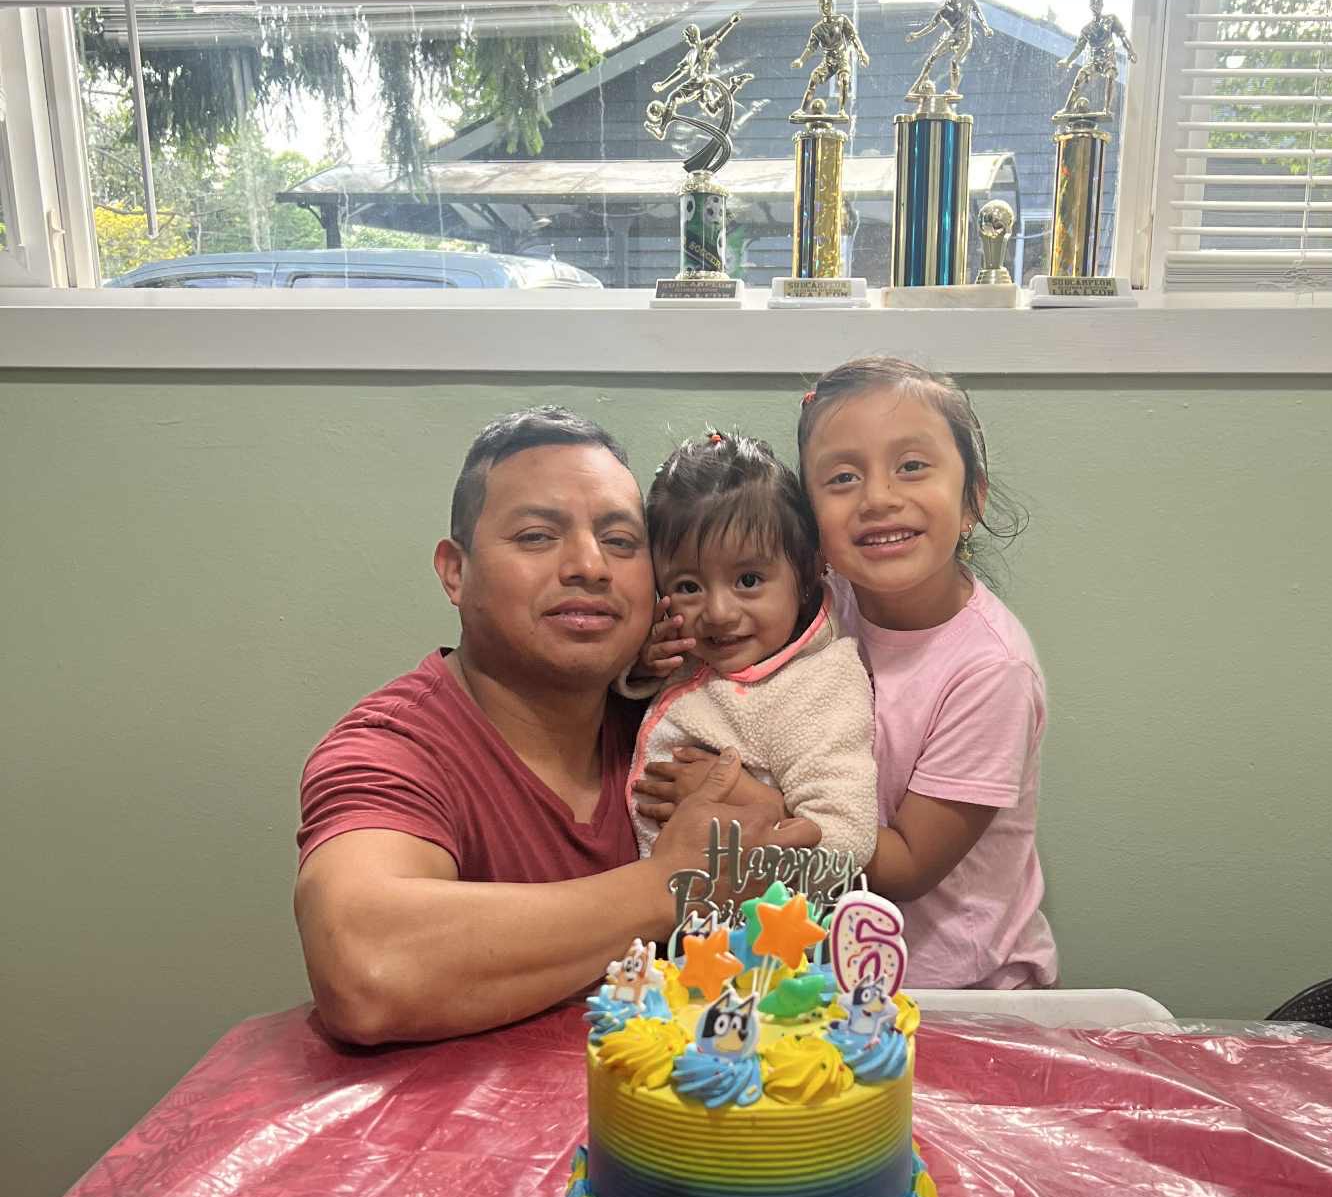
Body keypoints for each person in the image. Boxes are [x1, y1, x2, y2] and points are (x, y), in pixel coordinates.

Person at [294, 409, 817, 1046]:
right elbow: (365, 965)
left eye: (620, 542)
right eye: (538, 536)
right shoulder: (396, 748)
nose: (590, 566)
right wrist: (668, 885)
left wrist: (767, 813)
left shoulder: (685, 723)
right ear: (455, 571)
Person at [797, 357, 1056, 989]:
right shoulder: (814, 608)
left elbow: (908, 867)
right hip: (834, 981)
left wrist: (761, 813)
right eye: (842, 477)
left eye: (911, 466)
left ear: (972, 500)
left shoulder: (992, 669)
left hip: (965, 994)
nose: (879, 498)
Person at [624, 431, 877, 868]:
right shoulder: (684, 649)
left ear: (806, 573)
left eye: (748, 580)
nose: (718, 613)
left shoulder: (820, 687)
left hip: (751, 909)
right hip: (655, 896)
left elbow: (846, 841)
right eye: (688, 586)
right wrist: (643, 667)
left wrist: (743, 799)